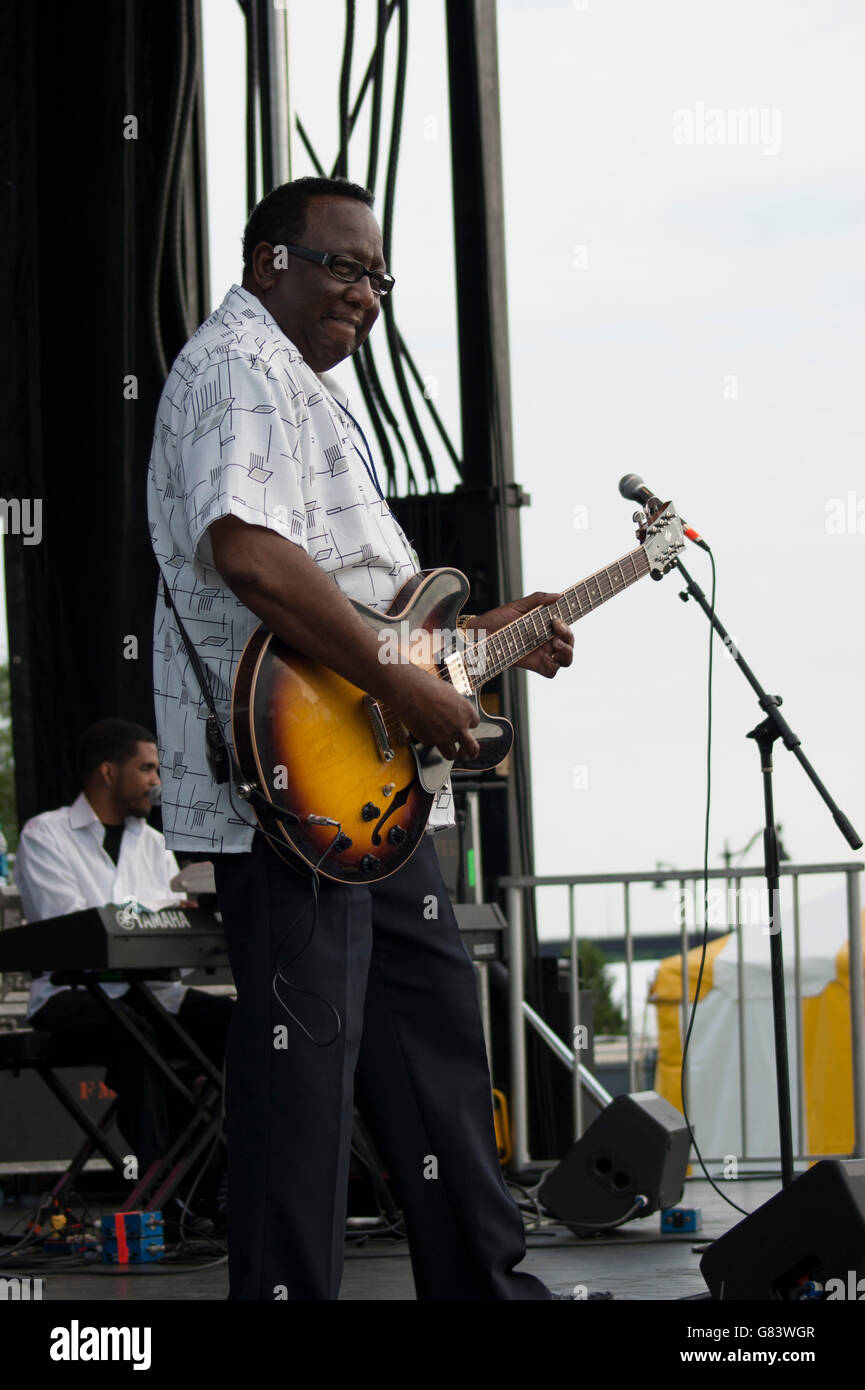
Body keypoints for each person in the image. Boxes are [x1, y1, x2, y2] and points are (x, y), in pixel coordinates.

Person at [147, 176, 576, 1300]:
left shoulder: (299, 385)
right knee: (304, 1075)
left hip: (364, 793)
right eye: (341, 265)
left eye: (378, 276)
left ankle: (485, 1290)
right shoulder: (242, 363)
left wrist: (477, 644)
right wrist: (406, 678)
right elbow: (249, 553)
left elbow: (373, 604)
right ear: (265, 262)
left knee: (431, 1050)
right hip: (288, 794)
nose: (365, 293)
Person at [14, 719, 233, 1185]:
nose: (157, 782)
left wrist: (189, 917)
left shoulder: (154, 843)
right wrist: (163, 908)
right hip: (73, 996)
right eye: (147, 768)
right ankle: (160, 1193)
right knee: (135, 1034)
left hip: (154, 996)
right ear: (108, 772)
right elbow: (74, 932)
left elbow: (180, 957)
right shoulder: (44, 835)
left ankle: (215, 1177)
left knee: (244, 1029)